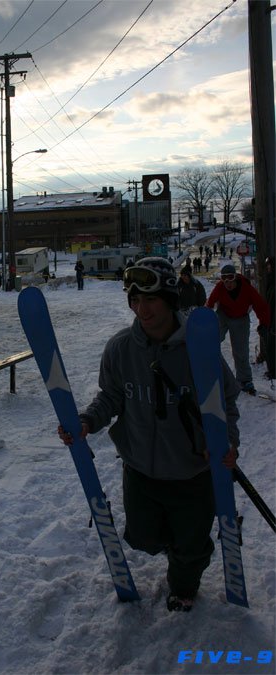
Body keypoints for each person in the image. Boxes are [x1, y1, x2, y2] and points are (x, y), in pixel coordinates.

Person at [58, 257, 240, 613]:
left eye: (151, 299)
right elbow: (110, 396)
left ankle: (183, 586)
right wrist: (87, 421)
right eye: (134, 300)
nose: (142, 309)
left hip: (192, 471)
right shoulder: (120, 348)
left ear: (169, 298)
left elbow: (226, 401)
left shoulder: (199, 349)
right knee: (144, 537)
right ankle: (175, 545)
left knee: (191, 547)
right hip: (141, 469)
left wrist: (227, 441)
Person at [206, 263, 271, 395]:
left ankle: (245, 380)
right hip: (223, 315)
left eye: (230, 278)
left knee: (240, 351)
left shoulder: (246, 288)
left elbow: (261, 306)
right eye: (224, 279)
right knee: (212, 340)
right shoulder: (220, 287)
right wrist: (205, 318)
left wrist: (264, 324)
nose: (227, 283)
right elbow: (210, 302)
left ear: (235, 278)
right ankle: (207, 372)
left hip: (241, 318)